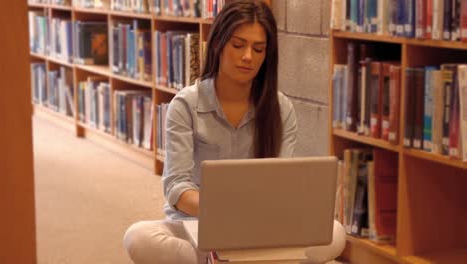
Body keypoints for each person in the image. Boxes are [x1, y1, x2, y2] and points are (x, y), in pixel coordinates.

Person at [123, 1, 346, 263]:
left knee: (335, 233)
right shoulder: (186, 105)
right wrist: (227, 211)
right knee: (138, 237)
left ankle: (234, 259)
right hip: (198, 223)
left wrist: (271, 212)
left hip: (260, 224)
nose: (248, 56)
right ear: (218, 43)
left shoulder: (281, 108)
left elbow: (281, 182)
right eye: (238, 45)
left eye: (258, 49)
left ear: (267, 55)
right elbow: (176, 187)